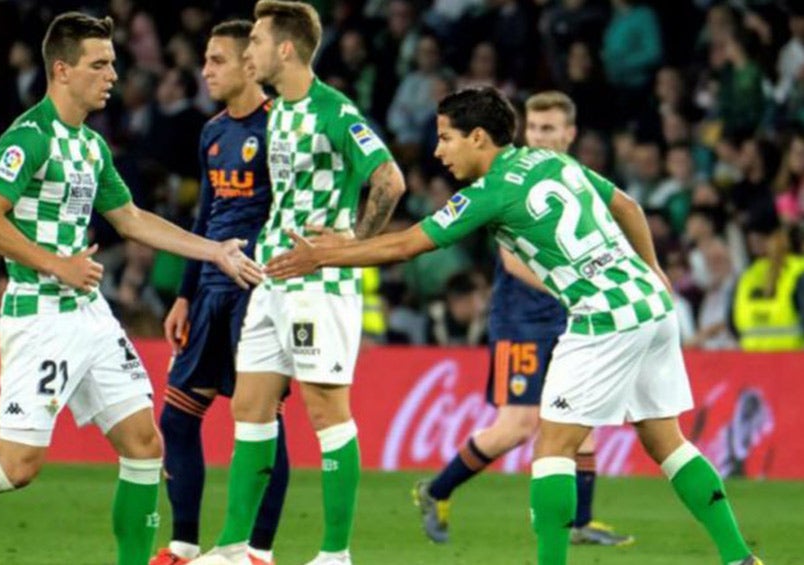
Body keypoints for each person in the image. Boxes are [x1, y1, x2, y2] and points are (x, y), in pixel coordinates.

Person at [266, 86, 762, 565]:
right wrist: (652, 269)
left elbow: (406, 244)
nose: (438, 152)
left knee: (551, 449)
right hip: (651, 307)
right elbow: (628, 207)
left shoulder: (489, 193)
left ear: (479, 137)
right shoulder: (552, 160)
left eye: (446, 138)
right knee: (665, 440)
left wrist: (329, 255)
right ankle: (740, 558)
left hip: (603, 319)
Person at [0, 12, 262, 565]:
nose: (112, 76)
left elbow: (130, 218)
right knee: (18, 466)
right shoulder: (28, 137)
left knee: (144, 444)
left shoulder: (91, 147)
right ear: (61, 70)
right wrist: (55, 263)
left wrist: (215, 250)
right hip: (39, 315)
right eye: (99, 65)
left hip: (89, 313)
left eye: (113, 64)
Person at [191, 2, 406, 565]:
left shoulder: (336, 112)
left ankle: (336, 555)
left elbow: (390, 180)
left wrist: (349, 248)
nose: (250, 52)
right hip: (272, 280)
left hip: (318, 286)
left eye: (257, 41)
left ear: (285, 49)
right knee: (250, 408)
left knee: (327, 414)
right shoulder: (280, 112)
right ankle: (236, 548)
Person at [413, 91, 633, 547]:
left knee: (582, 417)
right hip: (523, 321)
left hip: (571, 316)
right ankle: (436, 490)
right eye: (534, 128)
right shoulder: (508, 181)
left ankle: (579, 522)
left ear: (570, 134)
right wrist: (576, 291)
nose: (540, 137)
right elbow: (514, 263)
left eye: (549, 129)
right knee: (518, 425)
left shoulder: (569, 176)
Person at [150, 20, 288, 565]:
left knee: (258, 424)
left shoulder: (280, 127)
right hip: (208, 291)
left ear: (250, 66)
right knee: (178, 417)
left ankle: (257, 551)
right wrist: (184, 294)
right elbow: (204, 214)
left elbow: (292, 205)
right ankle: (184, 544)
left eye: (217, 60)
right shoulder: (211, 132)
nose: (205, 69)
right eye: (205, 60)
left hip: (255, 291)